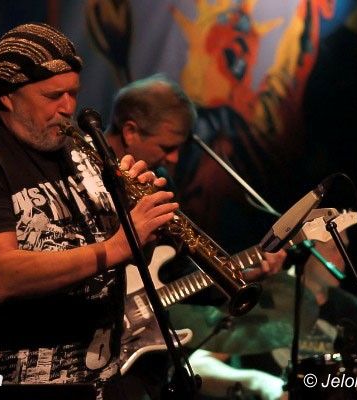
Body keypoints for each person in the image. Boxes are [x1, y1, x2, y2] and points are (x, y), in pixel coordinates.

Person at [0, 23, 179, 399]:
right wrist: (118, 245)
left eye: (72, 94)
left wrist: (141, 229)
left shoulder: (81, 152)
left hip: (101, 379)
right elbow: (2, 275)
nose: (67, 108)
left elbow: (125, 258)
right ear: (8, 96)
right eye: (52, 96)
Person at [103, 75, 287, 399]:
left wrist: (244, 273)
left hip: (145, 361)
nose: (175, 158)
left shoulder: (159, 183)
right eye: (167, 147)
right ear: (130, 131)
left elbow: (179, 273)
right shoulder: (81, 177)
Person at [187, 235, 357, 400]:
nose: (343, 258)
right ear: (306, 248)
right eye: (334, 248)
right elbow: (197, 366)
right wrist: (260, 382)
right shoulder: (264, 298)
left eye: (344, 247)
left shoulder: (352, 309)